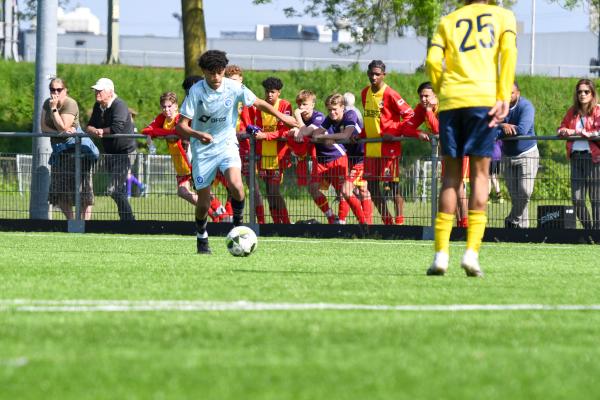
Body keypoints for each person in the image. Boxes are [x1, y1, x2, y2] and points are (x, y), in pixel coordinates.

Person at [426, 0, 517, 276]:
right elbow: (508, 54)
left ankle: (441, 255)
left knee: (451, 178)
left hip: (453, 102)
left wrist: (444, 89)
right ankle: (471, 253)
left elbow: (432, 61)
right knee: (479, 175)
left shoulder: (448, 20)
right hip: (483, 101)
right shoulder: (504, 16)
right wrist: (502, 95)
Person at [176, 50, 298, 254]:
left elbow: (258, 102)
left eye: (219, 72)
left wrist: (282, 118)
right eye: (211, 73)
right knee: (204, 202)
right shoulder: (196, 92)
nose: (215, 78)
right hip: (203, 150)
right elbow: (181, 126)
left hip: (226, 144)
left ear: (224, 70)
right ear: (204, 72)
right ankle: (201, 237)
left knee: (236, 185)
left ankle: (237, 226)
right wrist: (198, 135)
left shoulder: (234, 87)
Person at [361, 60, 414, 225]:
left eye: (378, 74)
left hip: (388, 149)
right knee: (372, 187)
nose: (374, 77)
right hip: (371, 148)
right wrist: (361, 134)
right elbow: (371, 119)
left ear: (384, 75)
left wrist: (395, 131)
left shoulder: (390, 93)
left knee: (393, 187)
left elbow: (410, 114)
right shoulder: (365, 93)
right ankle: (387, 222)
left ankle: (399, 223)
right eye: (372, 73)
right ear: (368, 73)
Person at [307, 93, 367, 225]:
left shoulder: (350, 115)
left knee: (353, 190)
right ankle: (350, 222)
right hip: (350, 157)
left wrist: (329, 138)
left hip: (362, 157)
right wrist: (327, 137)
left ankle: (364, 224)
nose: (332, 113)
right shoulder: (330, 118)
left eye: (335, 109)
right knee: (349, 191)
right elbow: (317, 133)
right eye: (329, 110)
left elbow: (346, 134)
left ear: (342, 107)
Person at [41, 77, 95, 220]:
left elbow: (62, 126)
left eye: (59, 89)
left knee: (83, 191)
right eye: (52, 89)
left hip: (76, 151)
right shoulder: (47, 103)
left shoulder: (70, 104)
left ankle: (85, 224)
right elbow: (43, 127)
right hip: (59, 151)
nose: (56, 92)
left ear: (65, 90)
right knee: (59, 191)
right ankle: (71, 222)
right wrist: (59, 132)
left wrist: (54, 109)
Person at [86, 77, 137, 221]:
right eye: (96, 90)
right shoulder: (98, 106)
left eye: (100, 90)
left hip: (125, 153)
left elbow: (117, 128)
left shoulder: (119, 105)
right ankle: (126, 222)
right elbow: (89, 125)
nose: (96, 92)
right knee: (118, 190)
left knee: (113, 189)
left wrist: (100, 131)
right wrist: (95, 130)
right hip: (110, 153)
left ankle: (129, 221)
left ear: (110, 92)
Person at [249, 77, 293, 224]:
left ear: (279, 93)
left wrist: (265, 135)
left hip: (278, 157)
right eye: (267, 92)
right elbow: (258, 129)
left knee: (274, 192)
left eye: (272, 92)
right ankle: (276, 224)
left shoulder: (285, 105)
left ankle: (286, 223)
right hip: (264, 157)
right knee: (269, 193)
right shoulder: (260, 107)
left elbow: (285, 132)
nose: (269, 95)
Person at [557, 78, 600, 230]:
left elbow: (597, 132)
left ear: (592, 93)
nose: (582, 94)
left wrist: (576, 131)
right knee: (577, 198)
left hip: (594, 158)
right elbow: (562, 126)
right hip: (576, 157)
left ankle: (597, 232)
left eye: (586, 92)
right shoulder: (572, 111)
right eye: (580, 91)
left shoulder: (598, 111)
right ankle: (589, 229)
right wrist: (562, 130)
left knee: (596, 198)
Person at [499, 82, 539, 228]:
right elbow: (489, 129)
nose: (508, 96)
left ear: (518, 93)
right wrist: (503, 126)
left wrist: (500, 129)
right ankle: (522, 230)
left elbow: (522, 129)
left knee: (525, 192)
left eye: (511, 93)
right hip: (507, 155)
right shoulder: (498, 107)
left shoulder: (526, 107)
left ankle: (512, 219)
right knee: (516, 197)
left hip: (527, 153)